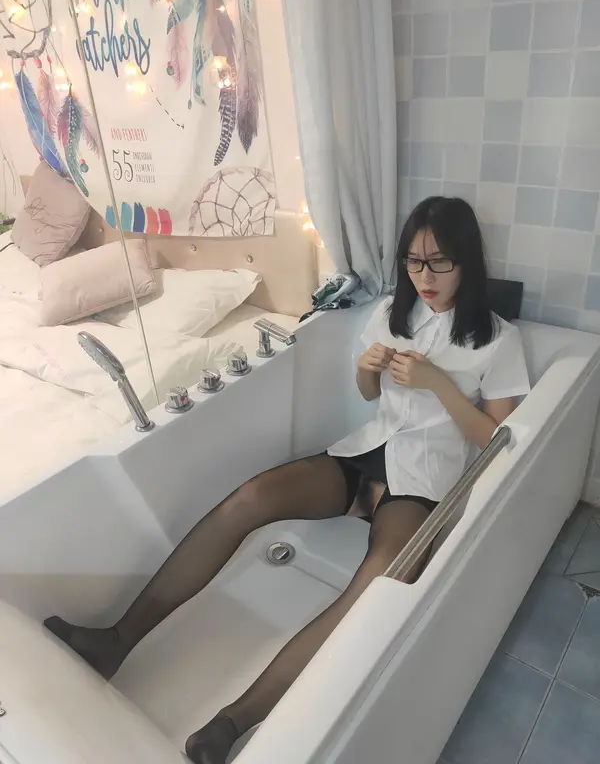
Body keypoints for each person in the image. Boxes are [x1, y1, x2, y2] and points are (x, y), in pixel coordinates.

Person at [44, 196, 530, 763]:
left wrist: (438, 383)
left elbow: (495, 440)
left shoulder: (498, 339)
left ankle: (230, 725)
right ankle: (116, 641)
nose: (425, 277)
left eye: (439, 262)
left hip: (422, 482)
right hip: (364, 454)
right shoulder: (391, 314)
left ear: (466, 261)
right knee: (250, 498)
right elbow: (369, 397)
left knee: (376, 580)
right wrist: (365, 371)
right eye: (414, 262)